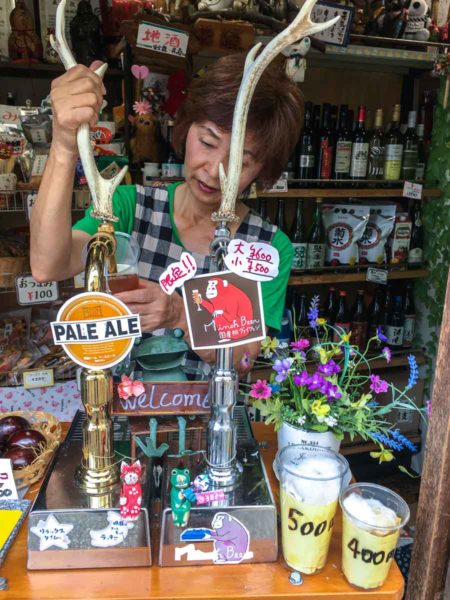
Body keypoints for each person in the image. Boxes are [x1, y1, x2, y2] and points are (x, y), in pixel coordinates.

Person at [30, 53, 303, 376]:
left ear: (263, 169)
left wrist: (181, 314)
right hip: (121, 411)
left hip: (209, 418)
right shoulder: (128, 207)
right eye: (206, 142)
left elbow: (244, 360)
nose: (215, 172)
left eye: (241, 163)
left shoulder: (267, 247)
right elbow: (49, 265)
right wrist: (64, 143)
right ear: (185, 129)